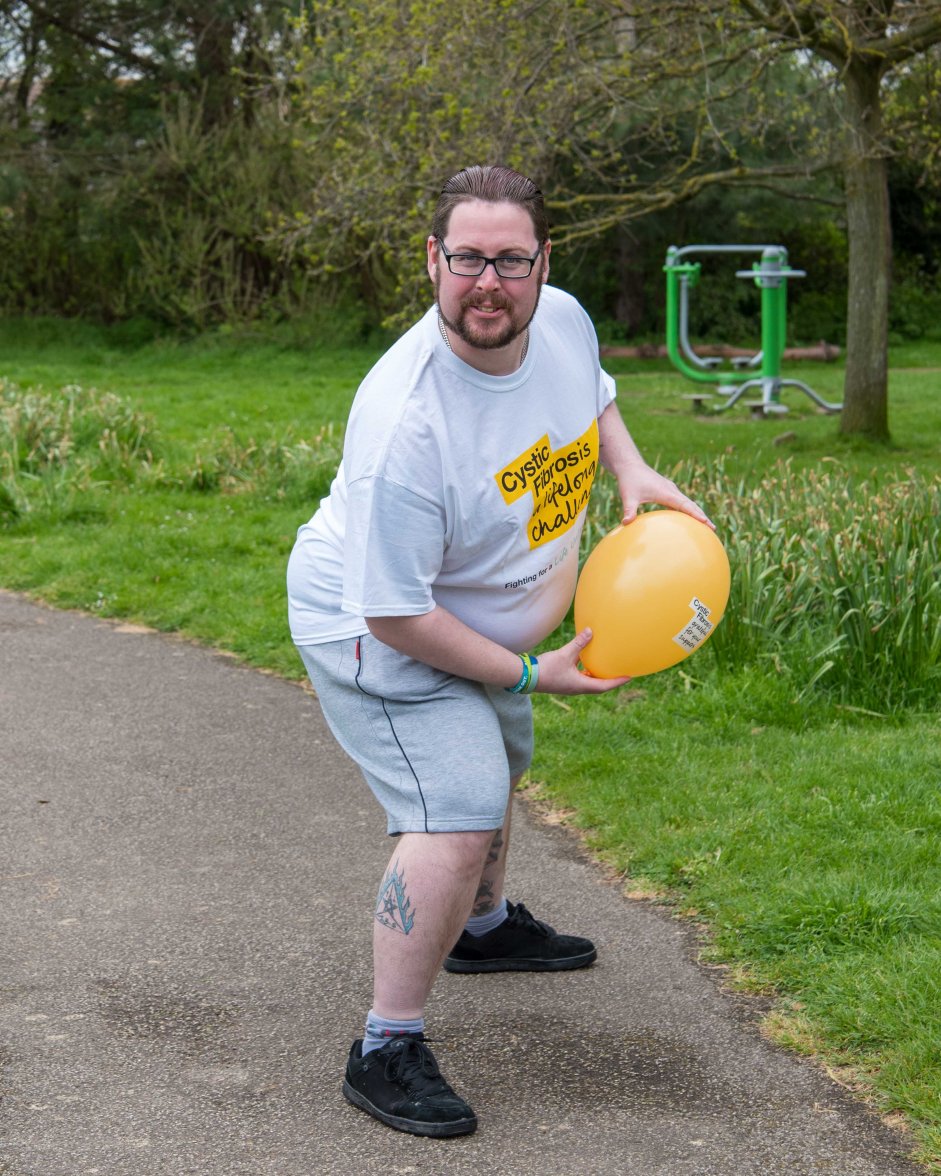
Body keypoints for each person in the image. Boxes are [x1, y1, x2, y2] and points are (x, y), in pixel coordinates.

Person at [287, 164, 710, 1138]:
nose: (488, 283)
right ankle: (384, 1046)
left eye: (510, 260)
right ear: (431, 260)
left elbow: (590, 396)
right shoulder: (404, 425)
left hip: (468, 618)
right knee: (459, 804)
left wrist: (631, 466)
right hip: (371, 625)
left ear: (542, 261)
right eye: (467, 258)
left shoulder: (559, 319)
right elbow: (394, 616)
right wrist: (528, 671)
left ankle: (479, 929)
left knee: (503, 756)